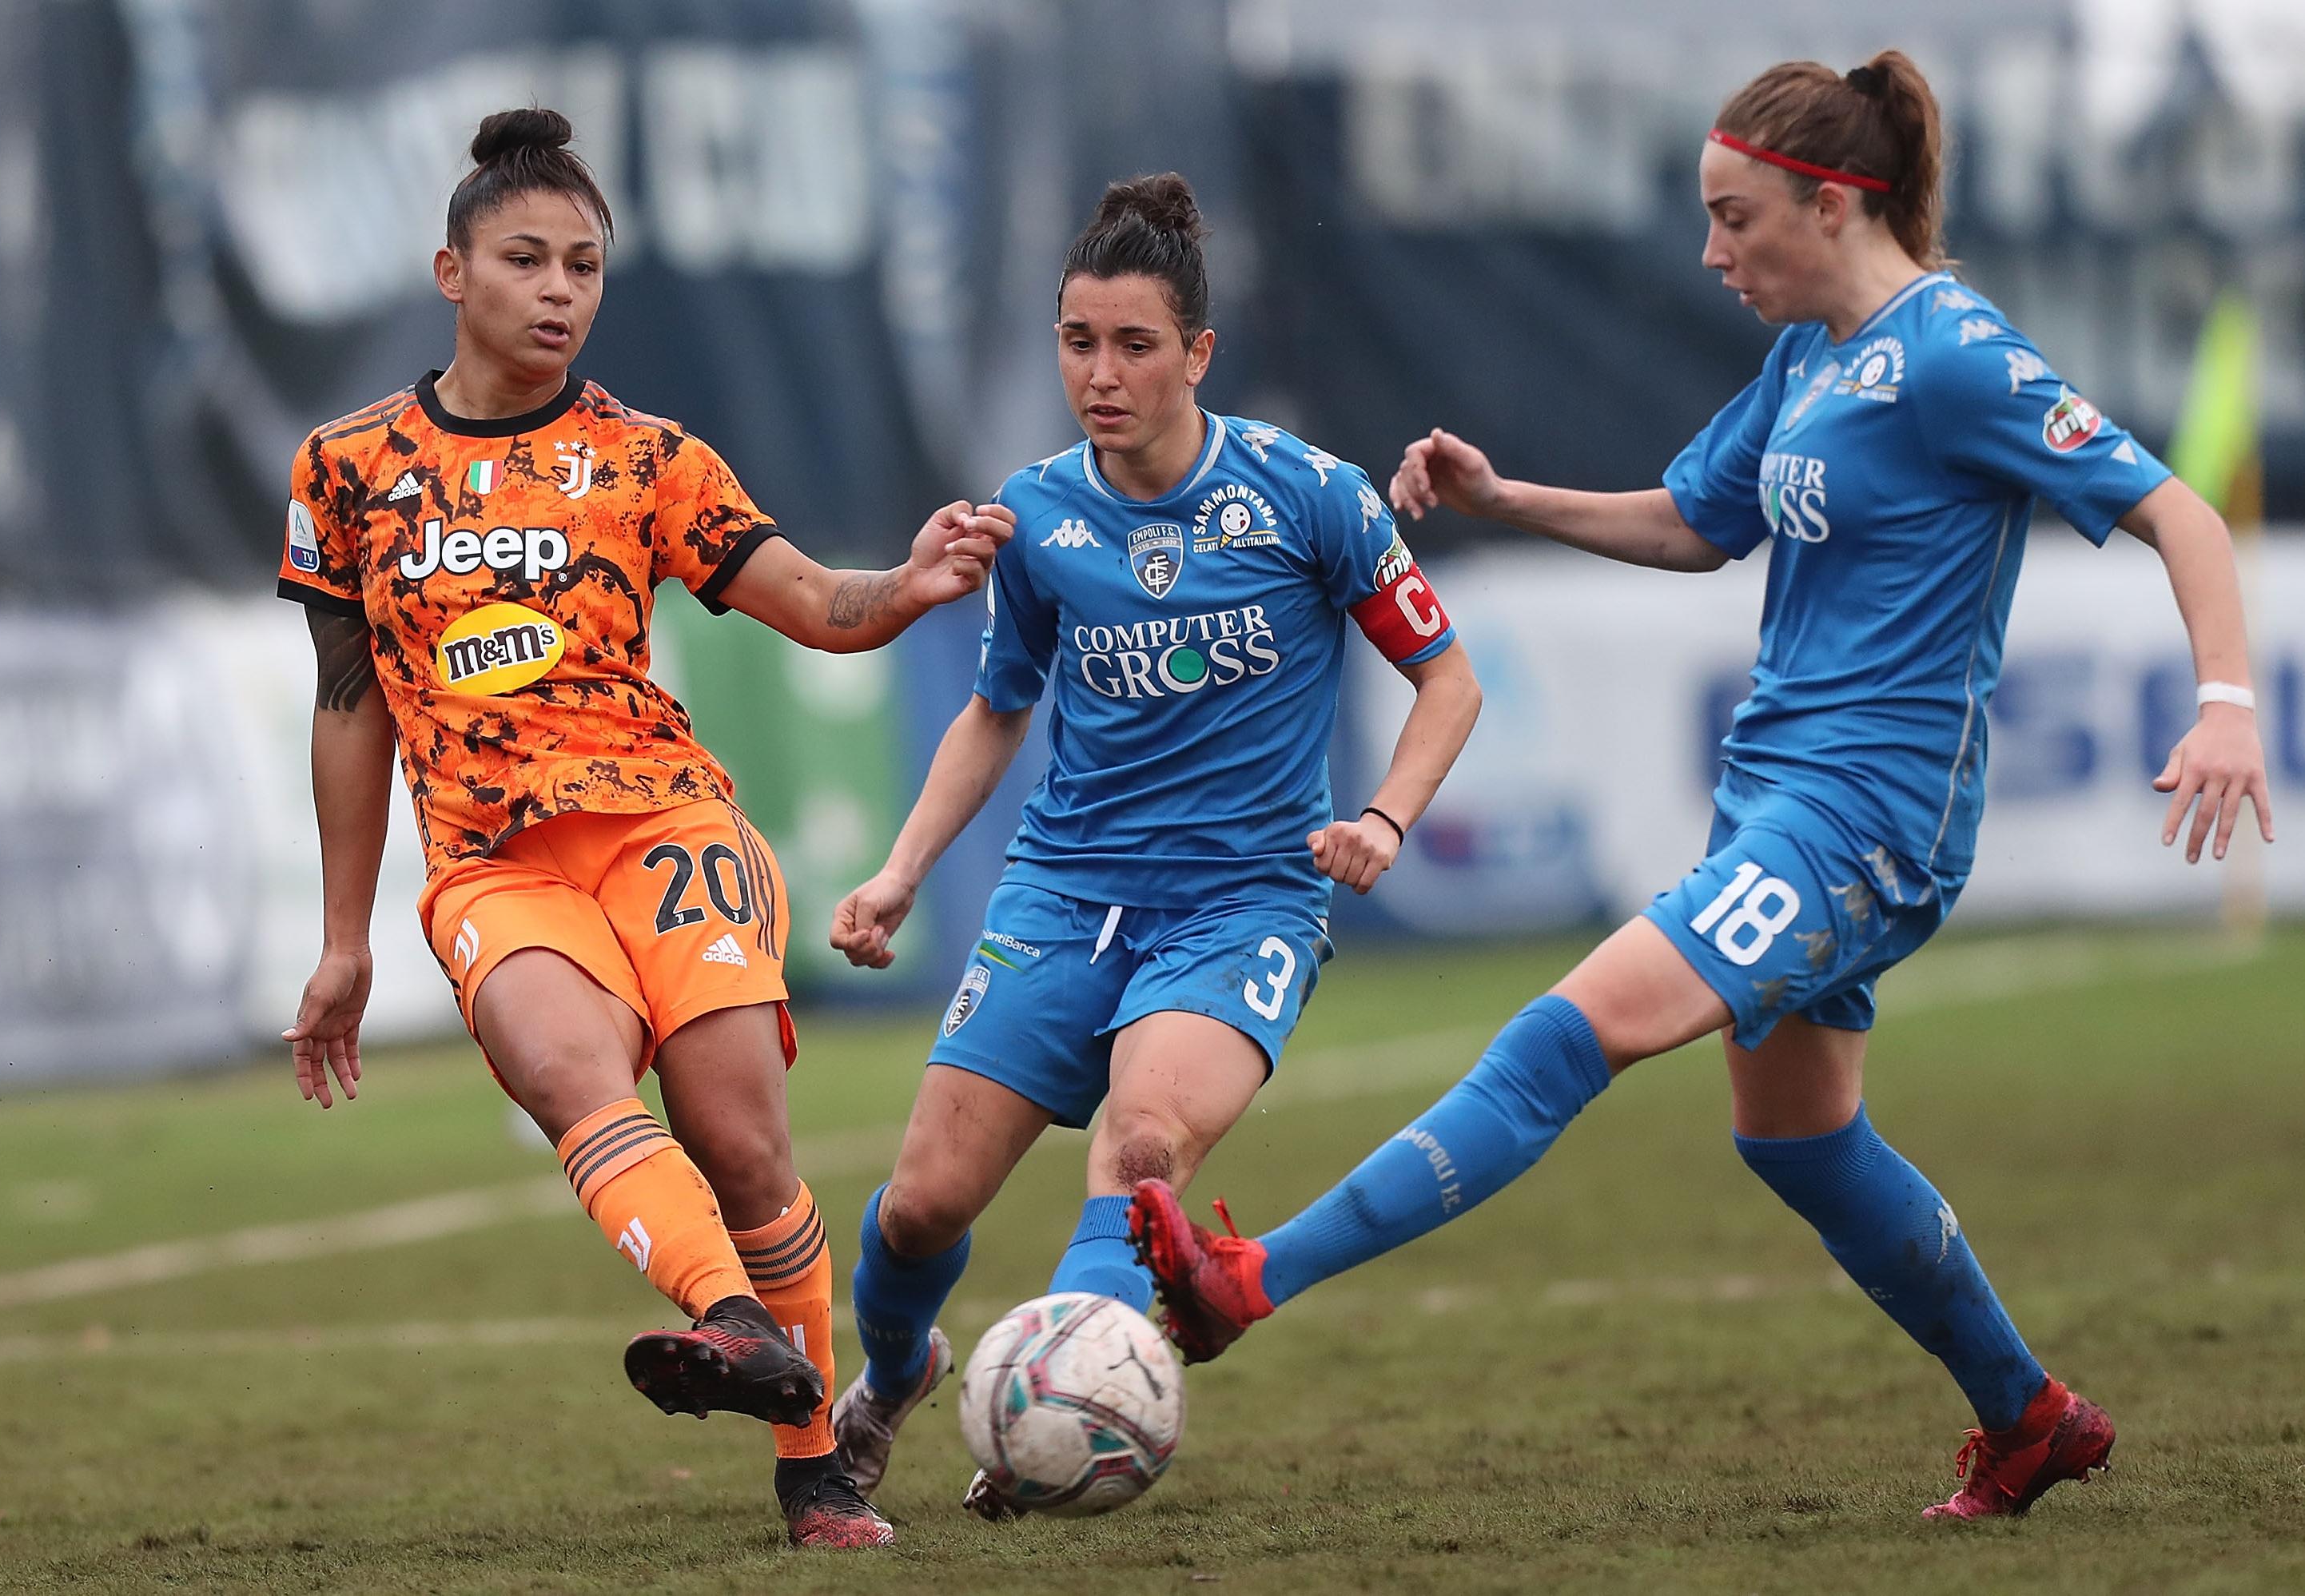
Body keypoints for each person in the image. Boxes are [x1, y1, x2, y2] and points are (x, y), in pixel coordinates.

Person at [1132, 51, 2275, 1522]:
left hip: (1861, 820)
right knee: (1796, 1138)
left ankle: (1250, 1279)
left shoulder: (1955, 354)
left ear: (1834, 201)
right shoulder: (1810, 356)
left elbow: (2178, 510)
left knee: (1564, 1035)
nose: (1713, 253)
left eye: (1736, 219)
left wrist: (2228, 703)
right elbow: (1694, 521)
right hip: (1777, 800)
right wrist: (1505, 500)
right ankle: (2031, 1415)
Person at [275, 107, 1011, 1550]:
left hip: (667, 823)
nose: (560, 290)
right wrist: (344, 938)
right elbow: (351, 704)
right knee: (565, 1071)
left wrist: (912, 583)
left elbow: (813, 601)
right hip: (492, 859)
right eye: (527, 259)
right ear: (450, 270)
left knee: (739, 1147)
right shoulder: (345, 468)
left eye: (586, 266)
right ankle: (742, 1333)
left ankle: (813, 1460)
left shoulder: (649, 455)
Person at [822, 173, 1483, 1519]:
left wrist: (1382, 818)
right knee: (917, 1207)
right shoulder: (1038, 517)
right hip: (1063, 892)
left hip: (1242, 907)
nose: (1102, 374)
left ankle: (1064, 1416)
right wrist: (900, 872)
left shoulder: (1313, 497)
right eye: (1078, 343)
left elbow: (1449, 679)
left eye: (1135, 345)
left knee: (1142, 1150)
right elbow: (998, 708)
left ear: (1199, 353)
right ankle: (895, 1374)